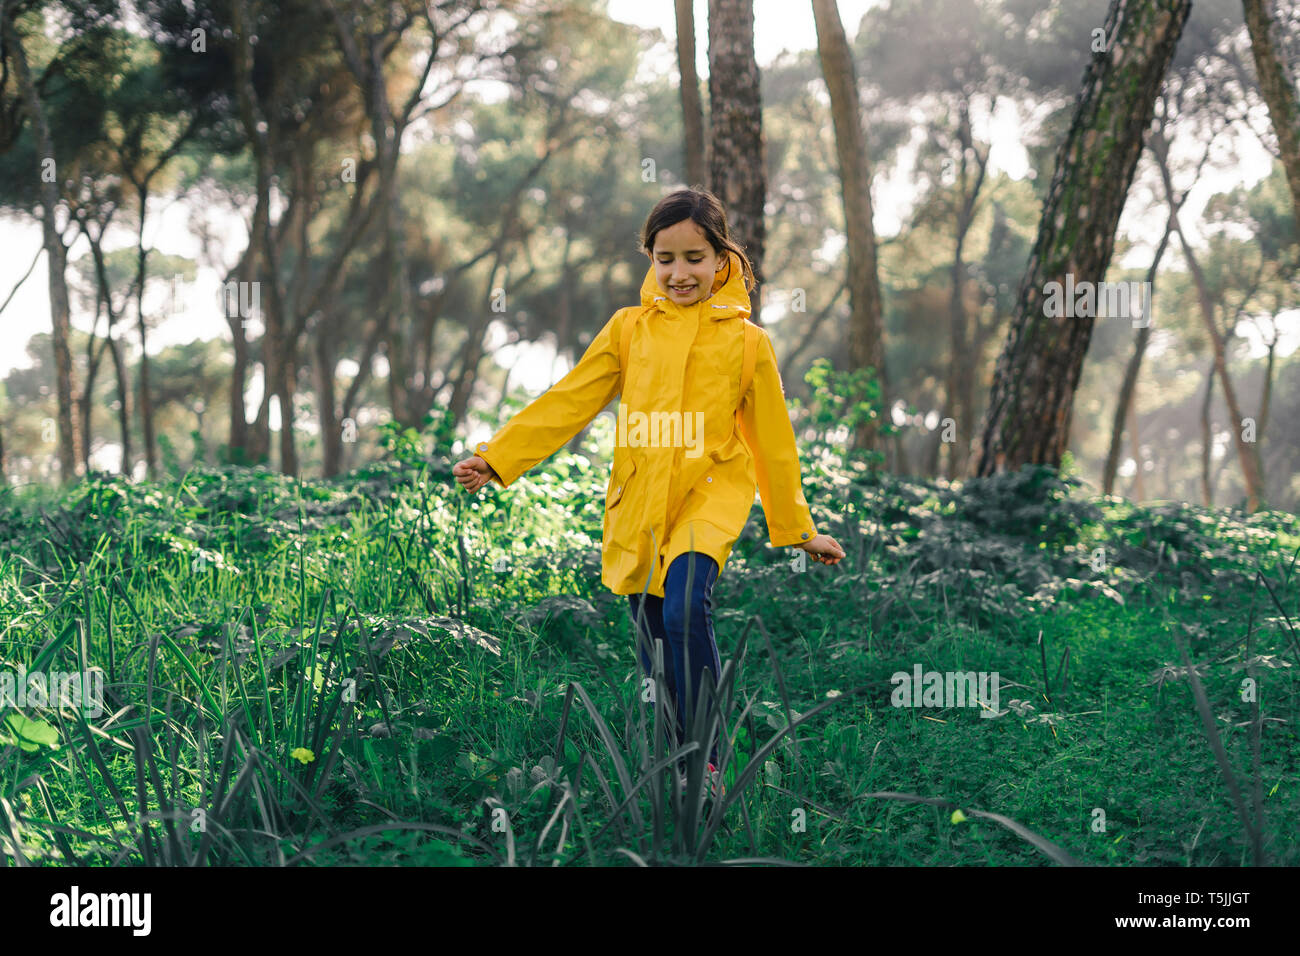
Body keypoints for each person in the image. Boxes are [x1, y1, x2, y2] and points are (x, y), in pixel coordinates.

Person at [453, 186, 845, 797]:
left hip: (710, 492)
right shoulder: (628, 330)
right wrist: (497, 457)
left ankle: (710, 763)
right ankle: (673, 759)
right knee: (653, 634)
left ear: (722, 260)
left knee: (688, 606)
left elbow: (773, 442)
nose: (679, 272)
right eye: (665, 257)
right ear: (650, 259)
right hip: (640, 498)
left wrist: (799, 529)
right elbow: (571, 399)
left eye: (694, 257)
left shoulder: (748, 345)